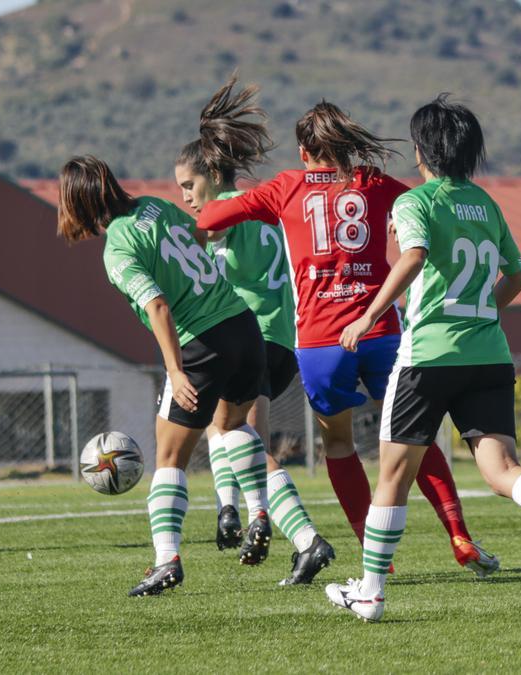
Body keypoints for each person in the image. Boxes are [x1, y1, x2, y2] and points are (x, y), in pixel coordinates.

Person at [195, 93, 499, 576]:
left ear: (303, 151)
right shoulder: (375, 184)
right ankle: (459, 533)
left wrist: (234, 203)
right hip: (380, 333)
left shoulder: (286, 187)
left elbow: (209, 220)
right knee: (416, 437)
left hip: (320, 343)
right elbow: (423, 202)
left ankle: (373, 552)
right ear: (347, 143)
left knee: (338, 445)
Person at [324, 96, 521, 622]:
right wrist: (481, 314)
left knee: (392, 476)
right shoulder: (487, 204)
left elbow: (414, 255)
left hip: (428, 357)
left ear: (420, 149)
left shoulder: (416, 202)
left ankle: (371, 593)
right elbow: (517, 277)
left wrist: (367, 316)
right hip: (488, 355)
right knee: (501, 470)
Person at [58, 156, 273, 596]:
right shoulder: (154, 206)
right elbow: (200, 235)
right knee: (232, 426)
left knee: (169, 459)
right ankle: (261, 512)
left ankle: (166, 561)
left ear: (77, 201)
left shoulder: (117, 247)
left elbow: (157, 306)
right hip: (243, 325)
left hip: (202, 343)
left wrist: (175, 371)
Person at [172, 77, 335, 587]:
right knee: (231, 430)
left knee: (233, 434)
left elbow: (210, 227)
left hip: (250, 337)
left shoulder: (232, 210)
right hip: (284, 338)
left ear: (214, 177)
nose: (187, 199)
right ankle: (242, 513)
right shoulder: (267, 206)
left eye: (189, 187)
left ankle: (289, 530)